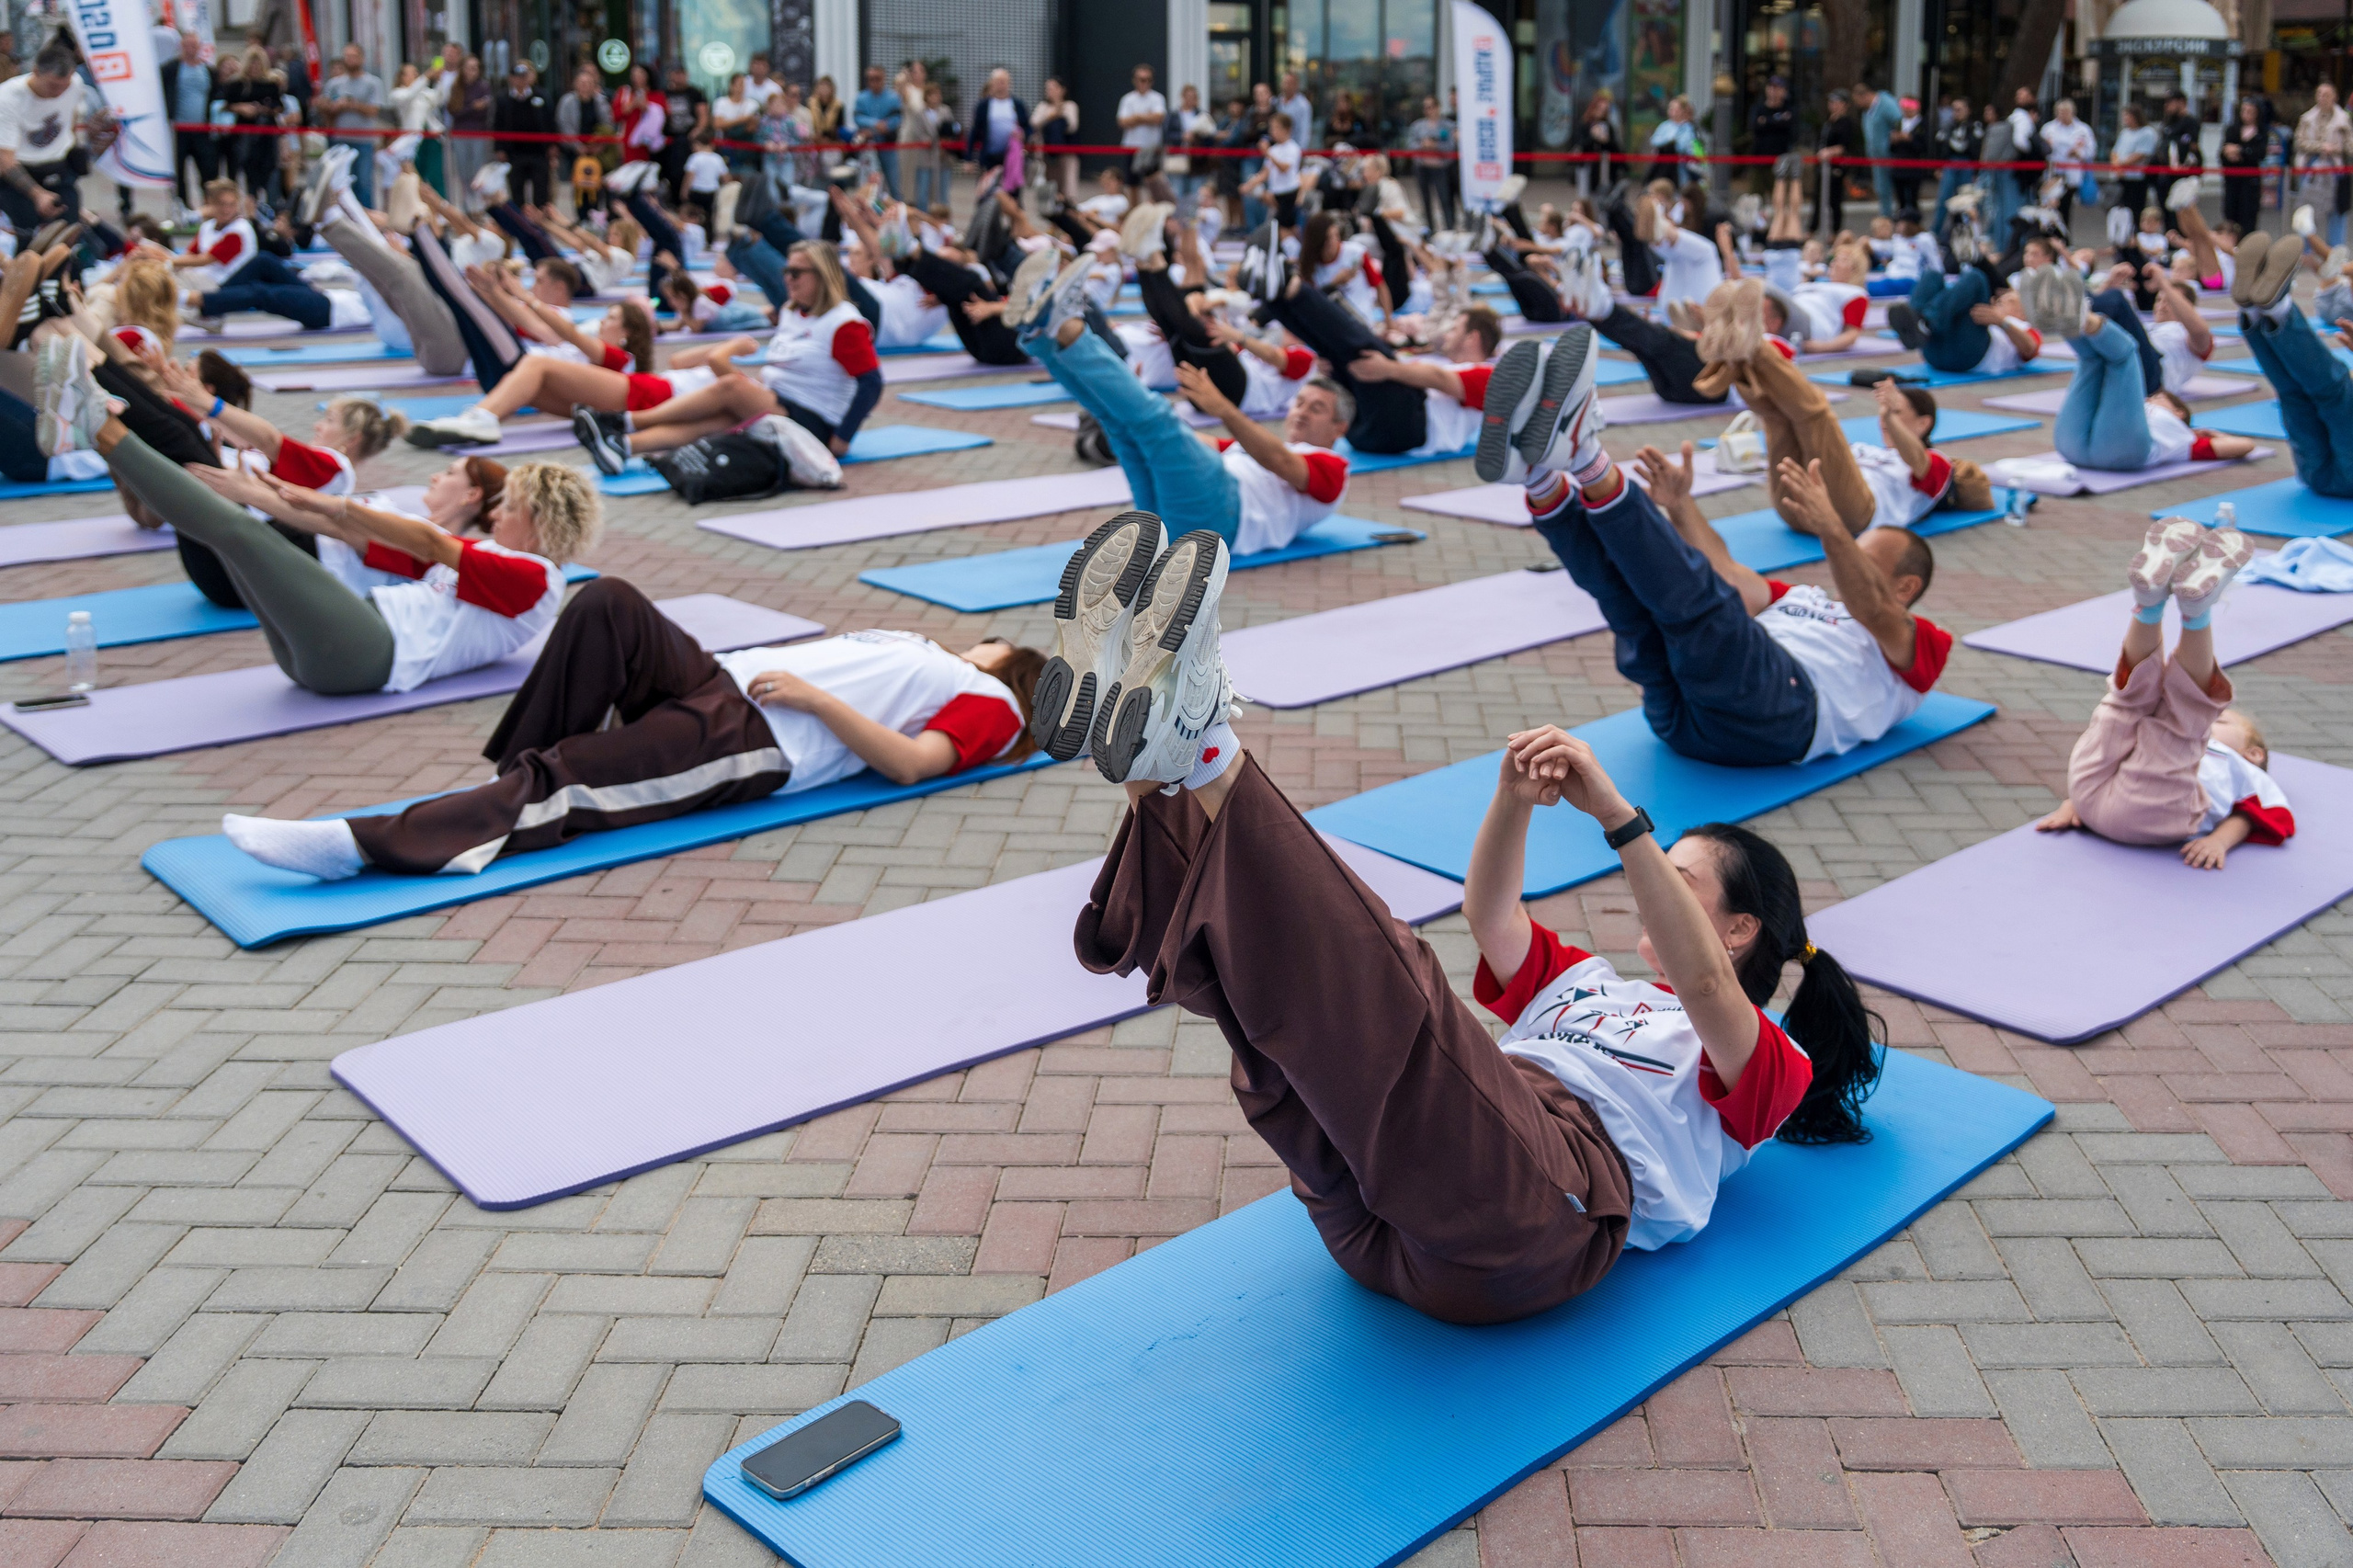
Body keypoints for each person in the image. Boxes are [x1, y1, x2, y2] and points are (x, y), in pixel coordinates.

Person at [1042, 512, 1877, 1325]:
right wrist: (1512, 799)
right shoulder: (1586, 983)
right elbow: (1490, 916)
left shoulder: (1774, 1061)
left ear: (1741, 930)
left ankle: (1205, 744)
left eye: (1681, 878)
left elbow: (1699, 981)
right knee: (1267, 1007)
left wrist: (1623, 822)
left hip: (1528, 1219)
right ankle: (1155, 761)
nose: (1655, 884)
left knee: (1395, 988)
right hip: (1384, 1197)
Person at [221, 576, 1042, 881]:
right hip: (716, 676)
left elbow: (911, 764)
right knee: (606, 603)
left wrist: (815, 701)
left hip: (756, 738)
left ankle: (361, 847)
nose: (978, 640)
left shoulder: (995, 708)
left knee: (577, 772)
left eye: (992, 643)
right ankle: (514, 782)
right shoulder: (924, 650)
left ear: (1011, 666)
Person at [1002, 254, 1352, 564]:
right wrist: (1129, 397)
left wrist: (1223, 410)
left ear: (1340, 428)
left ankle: (1069, 327)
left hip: (1223, 513)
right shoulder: (1257, 451)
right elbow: (1199, 442)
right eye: (1301, 403)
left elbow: (1280, 462)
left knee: (1154, 420)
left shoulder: (1335, 469)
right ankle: (1042, 335)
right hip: (1197, 519)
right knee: (1119, 421)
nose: (1302, 412)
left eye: (1317, 408)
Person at [2037, 519, 2288, 869]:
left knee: (2162, 711)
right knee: (2130, 699)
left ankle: (2170, 608)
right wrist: (2074, 804)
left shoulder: (2245, 771)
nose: (2217, 722)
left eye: (2226, 720)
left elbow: (2260, 815)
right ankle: (2159, 605)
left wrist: (2219, 841)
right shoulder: (2223, 759)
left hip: (2130, 810)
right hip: (2097, 794)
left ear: (2253, 753)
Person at [1670, 281, 1993, 536]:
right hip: (1800, 510)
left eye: (1900, 409)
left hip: (1854, 514)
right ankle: (1736, 352)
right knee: (1777, 418)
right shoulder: (1866, 448)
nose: (1887, 417)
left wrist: (1889, 418)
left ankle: (1750, 344)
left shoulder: (1938, 464)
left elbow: (1917, 460)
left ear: (1924, 424)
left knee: (1817, 415)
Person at [573, 240, 881, 465]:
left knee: (730, 387)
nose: (787, 278)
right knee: (712, 421)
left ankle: (623, 422)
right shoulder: (793, 312)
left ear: (822, 275)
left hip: (816, 420)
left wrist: (843, 438)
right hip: (779, 401)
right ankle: (622, 446)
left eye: (796, 273)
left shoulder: (843, 323)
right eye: (786, 271)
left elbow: (871, 383)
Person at [2017, 265, 2257, 476]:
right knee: (2091, 359)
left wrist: (2209, 434)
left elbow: (2245, 445)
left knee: (2124, 350)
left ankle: (2079, 314)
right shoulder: (2152, 328)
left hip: (2144, 398)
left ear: (2179, 413)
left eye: (2168, 301)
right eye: (2159, 299)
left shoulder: (2186, 437)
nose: (2161, 305)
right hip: (2074, 447)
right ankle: (2064, 319)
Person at [2230, 230, 2353, 499]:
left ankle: (2269, 311)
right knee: (2293, 394)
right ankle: (2259, 313)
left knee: (2330, 391)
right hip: (2317, 477)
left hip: (2326, 474)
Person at [1886, 257, 2041, 379]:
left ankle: (1925, 322)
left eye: (2010, 301)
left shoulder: (2024, 326)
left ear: (2023, 313)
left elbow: (2030, 348)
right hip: (1933, 353)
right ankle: (1920, 324)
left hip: (1968, 356)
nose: (2000, 302)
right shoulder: (1988, 313)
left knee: (1977, 278)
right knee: (1932, 275)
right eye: (2000, 300)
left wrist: (2002, 322)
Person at [316, 44, 386, 210]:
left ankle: (367, 217)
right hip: (339, 140)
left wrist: (352, 105)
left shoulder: (373, 83)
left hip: (363, 140)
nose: (350, 60)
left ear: (362, 58)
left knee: (363, 183)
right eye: (347, 56)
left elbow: (374, 110)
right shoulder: (334, 84)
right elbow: (325, 109)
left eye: (354, 56)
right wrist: (331, 107)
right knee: (338, 183)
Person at [160, 33, 217, 217]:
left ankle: (208, 207)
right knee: (179, 171)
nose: (191, 50)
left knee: (208, 169)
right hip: (179, 129)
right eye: (187, 46)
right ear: (181, 47)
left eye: (194, 46)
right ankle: (182, 207)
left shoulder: (207, 71)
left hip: (202, 129)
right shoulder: (171, 69)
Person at [2295, 84, 2351, 249]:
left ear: (2335, 97)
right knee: (2307, 210)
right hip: (2311, 166)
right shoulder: (2307, 118)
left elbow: (2349, 146)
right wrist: (2320, 146)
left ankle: (2335, 250)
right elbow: (2299, 142)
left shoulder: (2344, 119)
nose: (2322, 98)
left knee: (2337, 210)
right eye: (2319, 94)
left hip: (2335, 167)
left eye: (2326, 94)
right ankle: (2305, 250)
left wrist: (2336, 148)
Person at [492, 62, 553, 210]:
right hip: (514, 153)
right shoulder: (503, 98)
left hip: (538, 152)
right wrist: (499, 148)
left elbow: (550, 121)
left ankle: (541, 223)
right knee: (517, 190)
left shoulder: (541, 95)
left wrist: (552, 146)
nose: (520, 81)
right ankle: (520, 223)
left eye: (523, 77)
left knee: (541, 191)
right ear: (511, 79)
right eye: (517, 77)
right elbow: (497, 124)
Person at [2039, 99, 2096, 228]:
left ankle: (2064, 236)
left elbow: (2091, 151)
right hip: (2053, 173)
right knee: (2049, 206)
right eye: (2060, 112)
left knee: (2065, 206)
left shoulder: (2083, 129)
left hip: (2071, 173)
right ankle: (2049, 235)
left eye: (2066, 112)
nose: (2063, 115)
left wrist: (2078, 153)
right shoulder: (2048, 128)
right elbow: (2041, 149)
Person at [2219, 97, 2269, 239]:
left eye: (2250, 112)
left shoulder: (2261, 132)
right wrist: (2229, 153)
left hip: (2250, 182)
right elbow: (2223, 152)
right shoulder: (2232, 129)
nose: (2246, 114)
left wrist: (2240, 150)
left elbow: (2259, 153)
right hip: (2232, 180)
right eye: (2244, 111)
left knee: (2248, 216)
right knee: (2230, 215)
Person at [1403, 96, 1455, 230]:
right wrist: (1423, 145)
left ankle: (1450, 228)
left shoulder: (1448, 125)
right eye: (1425, 107)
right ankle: (1430, 229)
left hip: (1441, 167)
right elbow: (1410, 145)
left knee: (1445, 199)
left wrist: (1435, 145)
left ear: (1438, 107)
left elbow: (1451, 147)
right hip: (1422, 167)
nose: (1428, 110)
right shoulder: (1418, 126)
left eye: (1430, 107)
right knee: (1425, 200)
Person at [850, 62, 901, 199]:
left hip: (887, 145)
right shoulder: (861, 98)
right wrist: (876, 124)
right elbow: (857, 117)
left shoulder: (893, 97)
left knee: (894, 184)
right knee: (868, 183)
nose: (874, 82)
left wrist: (884, 126)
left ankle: (898, 214)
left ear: (883, 79)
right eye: (870, 79)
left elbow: (897, 118)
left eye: (877, 78)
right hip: (868, 147)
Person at [1118, 64, 1169, 186]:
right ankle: (1134, 205)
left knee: (1153, 183)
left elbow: (1159, 118)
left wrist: (1136, 117)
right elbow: (1122, 122)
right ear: (1134, 80)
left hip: (1151, 147)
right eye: (1141, 80)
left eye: (1148, 80)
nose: (1144, 83)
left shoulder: (1157, 98)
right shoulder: (1127, 99)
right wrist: (1147, 117)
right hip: (1131, 146)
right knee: (1132, 183)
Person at [1033, 76, 1081, 206]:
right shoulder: (1043, 106)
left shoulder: (1070, 106)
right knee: (1049, 187)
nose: (1050, 91)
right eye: (1048, 88)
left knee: (1067, 187)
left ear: (1062, 90)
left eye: (1053, 88)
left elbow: (1072, 125)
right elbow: (1035, 122)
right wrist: (1052, 115)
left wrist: (1058, 114)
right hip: (1047, 154)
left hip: (1066, 153)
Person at [2113, 104, 2159, 232]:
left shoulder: (2147, 132)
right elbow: (2115, 151)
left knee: (2136, 209)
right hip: (2123, 177)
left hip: (2137, 178)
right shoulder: (2125, 132)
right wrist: (2117, 167)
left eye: (2127, 116)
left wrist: (2122, 164)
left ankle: (2136, 234)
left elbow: (2142, 153)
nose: (2125, 119)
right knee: (2121, 208)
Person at [1277, 72, 1313, 152]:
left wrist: (1300, 152)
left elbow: (1305, 131)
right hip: (1278, 149)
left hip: (1294, 150)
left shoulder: (1303, 105)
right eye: (1284, 82)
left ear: (1296, 85)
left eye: (1290, 83)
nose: (1286, 86)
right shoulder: (1277, 102)